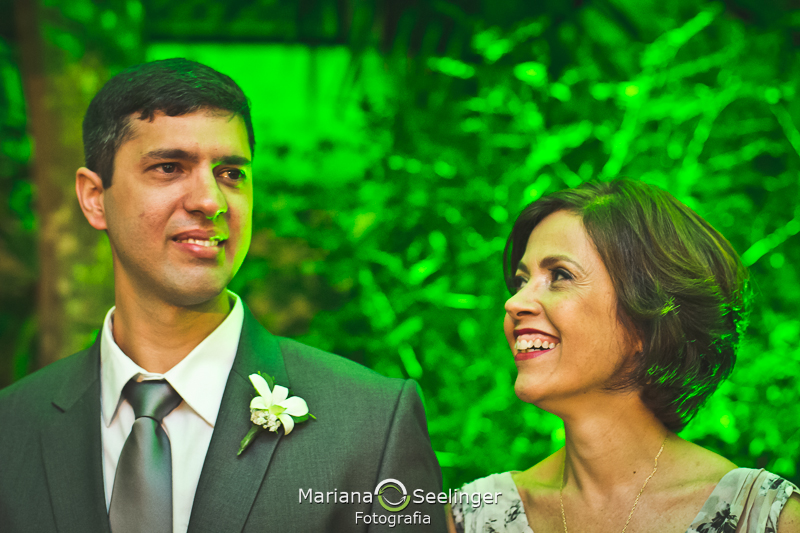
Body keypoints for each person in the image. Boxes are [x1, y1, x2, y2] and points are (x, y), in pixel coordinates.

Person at [0, 58, 446, 533]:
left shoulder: (373, 424)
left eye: (231, 173)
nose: (210, 201)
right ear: (94, 197)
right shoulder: (11, 428)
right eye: (169, 167)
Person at [448, 179, 800, 533]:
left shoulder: (766, 517)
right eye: (522, 280)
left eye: (559, 276)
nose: (514, 302)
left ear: (646, 320)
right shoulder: (471, 517)